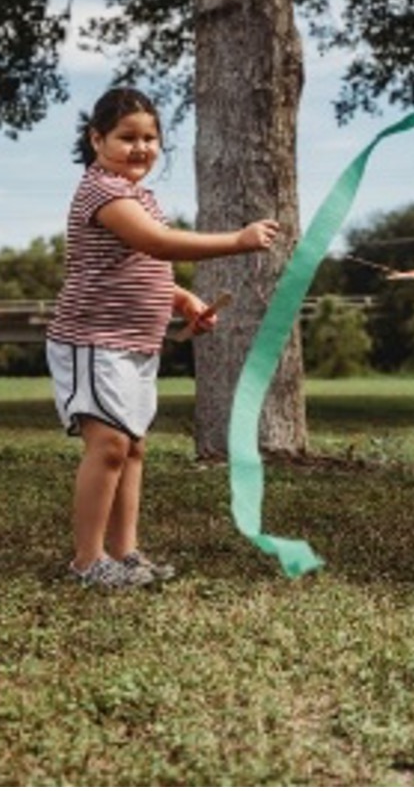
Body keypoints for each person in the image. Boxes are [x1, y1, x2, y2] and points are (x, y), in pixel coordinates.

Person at [46, 88, 279, 590]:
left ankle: (124, 552)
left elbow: (138, 265)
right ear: (96, 139)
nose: (141, 148)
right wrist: (236, 241)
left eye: (151, 138)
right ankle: (87, 561)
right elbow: (156, 243)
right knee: (108, 445)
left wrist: (181, 299)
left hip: (135, 344)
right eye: (127, 137)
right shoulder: (101, 191)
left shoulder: (139, 195)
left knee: (131, 448)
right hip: (94, 340)